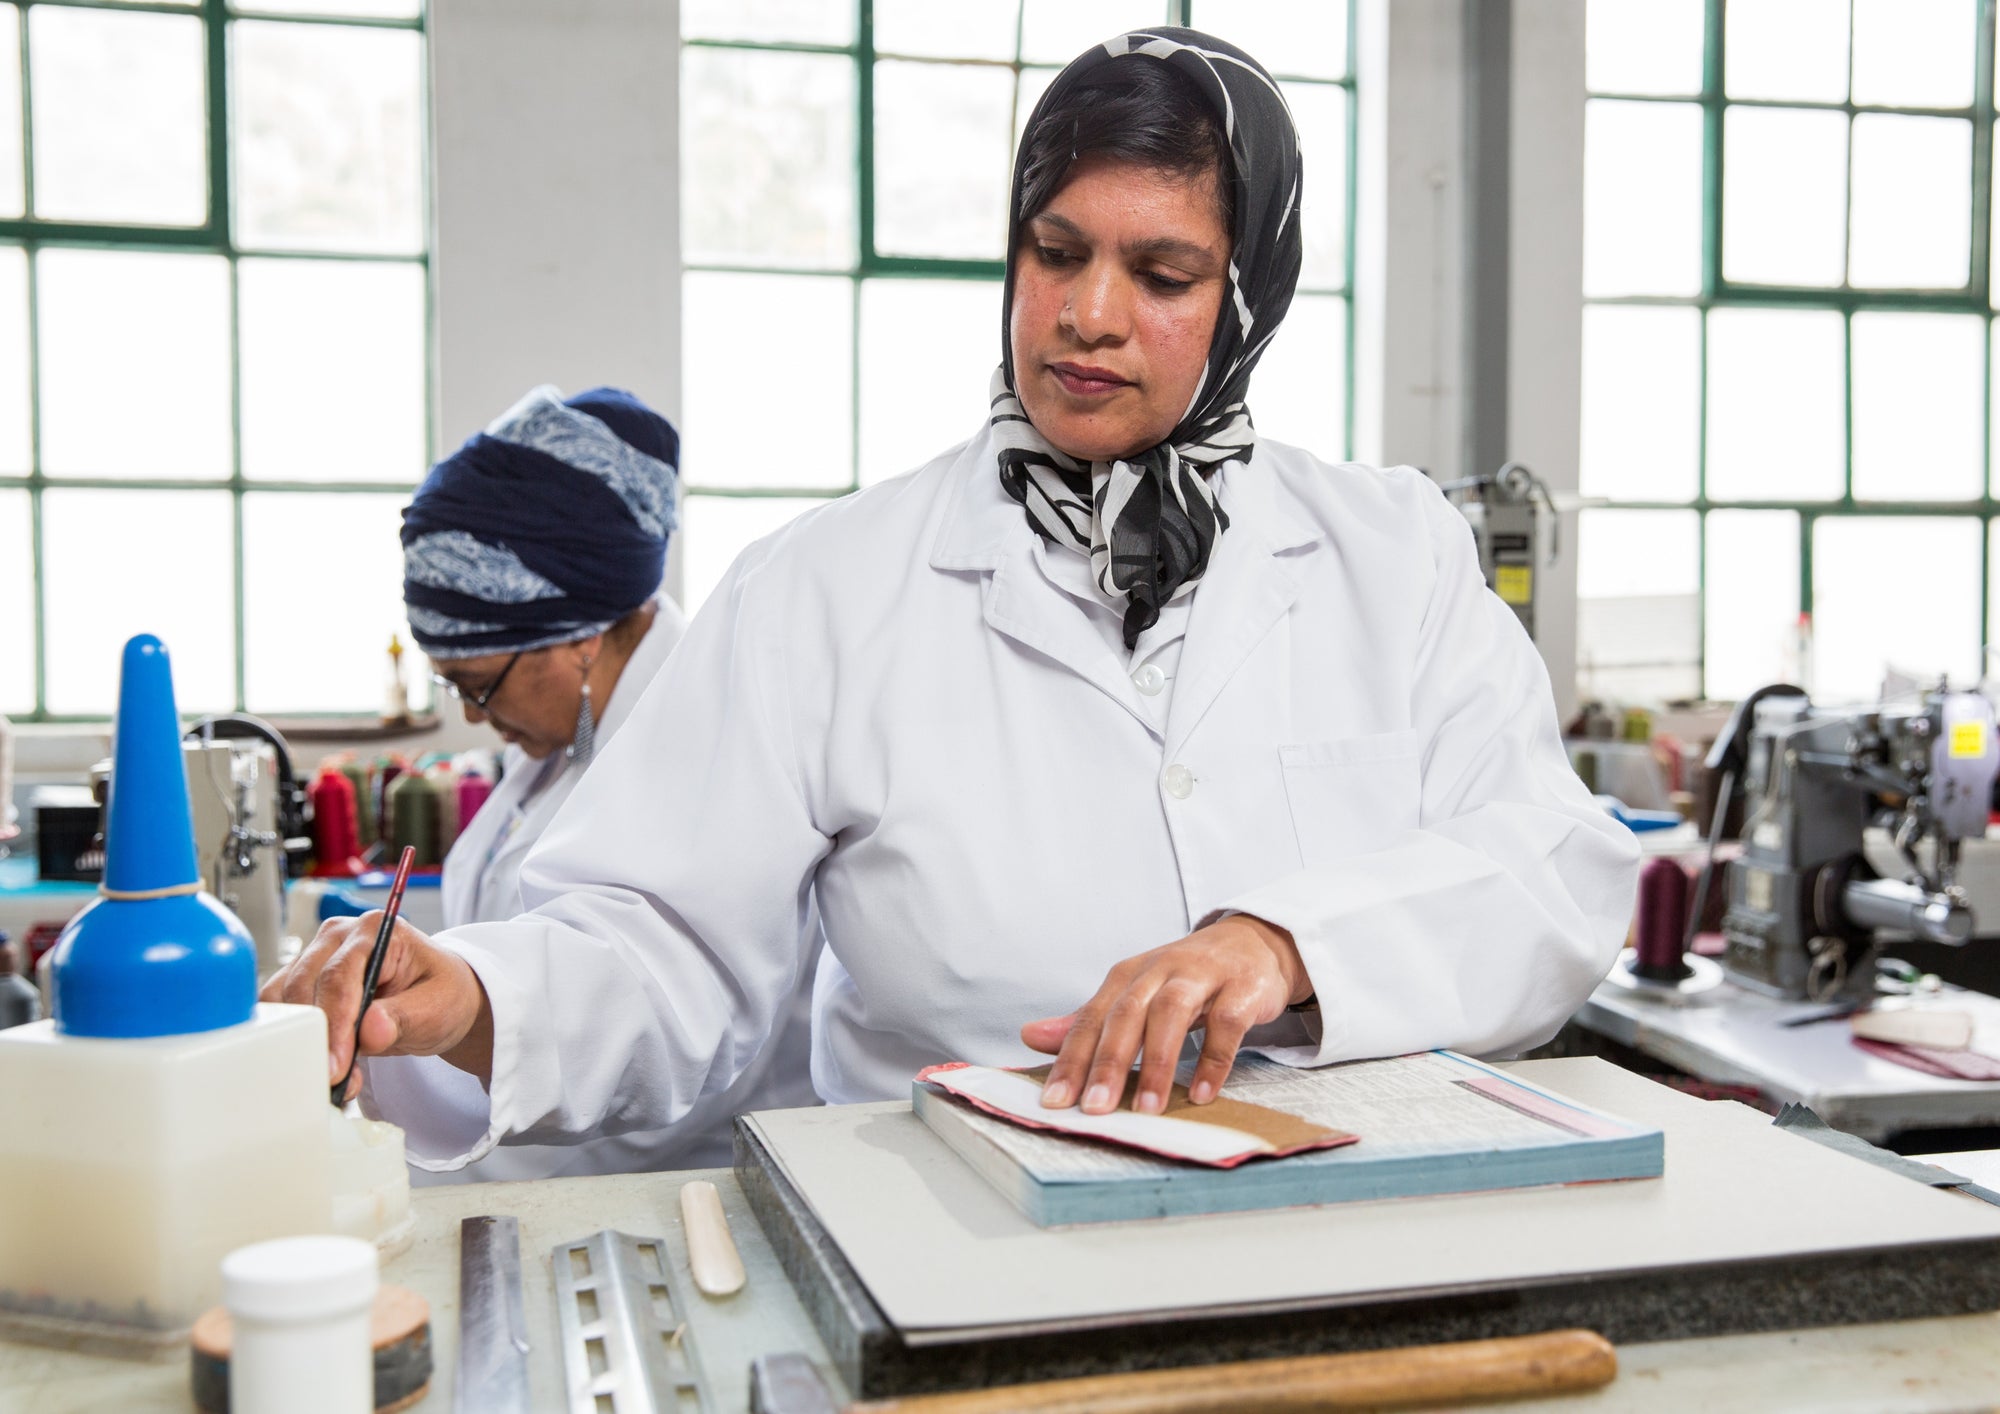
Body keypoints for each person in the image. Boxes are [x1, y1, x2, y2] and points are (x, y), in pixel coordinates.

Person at [268, 30, 1637, 1173]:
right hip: (961, 1254)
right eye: (1054, 251)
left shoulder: (1386, 553)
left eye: (1161, 275)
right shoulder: (830, 591)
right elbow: (668, 953)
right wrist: (479, 994)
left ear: (1249, 298)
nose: (1087, 313)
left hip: (1361, 1233)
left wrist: (1287, 941)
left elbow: (1553, 870)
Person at [362, 384, 817, 1178]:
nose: (473, 717)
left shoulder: (709, 752)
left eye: (477, 683)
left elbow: (658, 1067)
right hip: (539, 1175)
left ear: (575, 640)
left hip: (686, 1194)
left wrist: (402, 1171)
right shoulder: (559, 744)